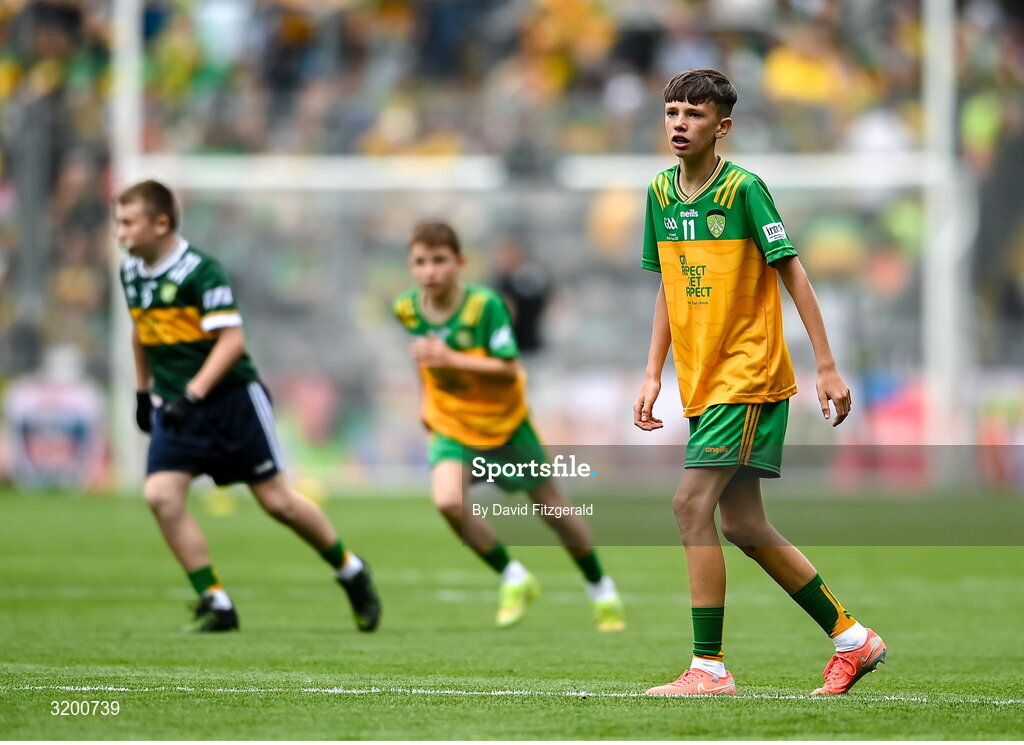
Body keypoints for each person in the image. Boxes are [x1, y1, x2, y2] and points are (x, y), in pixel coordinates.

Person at [633, 69, 885, 695]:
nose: (679, 124)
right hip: (702, 379)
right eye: (671, 113)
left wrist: (825, 365)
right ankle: (854, 639)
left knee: (689, 505)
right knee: (743, 526)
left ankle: (708, 669)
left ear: (723, 127)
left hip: (747, 375)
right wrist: (651, 372)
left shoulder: (745, 190)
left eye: (693, 114)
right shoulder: (660, 193)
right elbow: (668, 284)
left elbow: (793, 273)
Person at [114, 179, 381, 633]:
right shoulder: (132, 272)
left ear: (161, 224)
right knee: (160, 495)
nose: (120, 233)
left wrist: (193, 394)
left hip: (229, 402)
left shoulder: (201, 272)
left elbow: (232, 340)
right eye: (117, 223)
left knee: (277, 503)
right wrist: (143, 393)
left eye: (128, 223)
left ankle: (351, 570)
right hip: (178, 406)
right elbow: (141, 331)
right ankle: (215, 600)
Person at [394, 221, 625, 631]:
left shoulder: (485, 306)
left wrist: (453, 359)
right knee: (448, 501)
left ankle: (599, 586)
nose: (430, 271)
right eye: (420, 262)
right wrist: (425, 404)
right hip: (452, 424)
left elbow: (507, 368)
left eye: (439, 260)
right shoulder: (408, 308)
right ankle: (513, 576)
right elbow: (423, 360)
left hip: (505, 424)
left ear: (460, 262)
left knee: (553, 510)